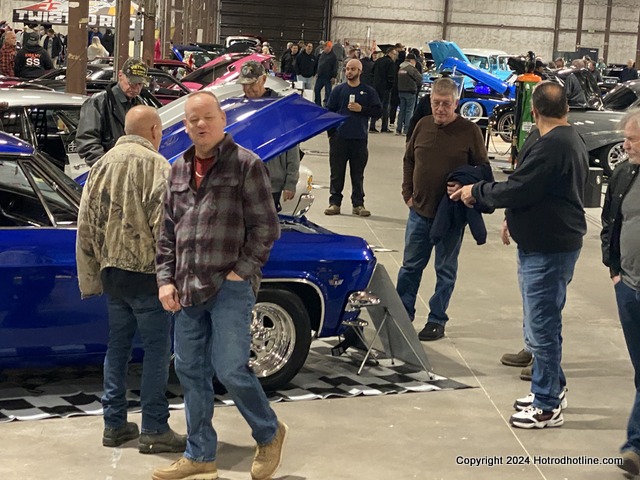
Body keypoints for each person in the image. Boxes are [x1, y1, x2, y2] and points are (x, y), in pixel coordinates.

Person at [152, 90, 287, 480]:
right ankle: (200, 455)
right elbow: (167, 233)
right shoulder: (177, 169)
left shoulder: (246, 165)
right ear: (185, 125)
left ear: (222, 120)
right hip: (187, 288)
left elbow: (266, 227)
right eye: (193, 119)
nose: (201, 124)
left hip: (230, 286)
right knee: (190, 371)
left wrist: (240, 271)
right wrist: (165, 280)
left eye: (208, 117)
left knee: (229, 369)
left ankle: (269, 431)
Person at [452, 81, 588, 429]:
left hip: (548, 248)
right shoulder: (566, 139)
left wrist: (476, 191)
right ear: (566, 108)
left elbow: (519, 188)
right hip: (550, 242)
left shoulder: (552, 146)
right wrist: (512, 220)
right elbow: (537, 192)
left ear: (534, 111)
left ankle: (546, 406)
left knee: (541, 327)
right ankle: (552, 387)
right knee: (544, 323)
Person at [76, 106, 186, 454]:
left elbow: (85, 223)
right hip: (148, 277)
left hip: (112, 275)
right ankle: (154, 428)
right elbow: (165, 226)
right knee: (156, 352)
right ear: (154, 130)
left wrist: (91, 275)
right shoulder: (157, 165)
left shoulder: (100, 166)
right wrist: (173, 276)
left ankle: (113, 425)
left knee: (118, 348)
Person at [397, 77, 490, 341]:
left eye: (446, 104)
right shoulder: (422, 125)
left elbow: (483, 170)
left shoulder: (470, 131)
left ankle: (437, 320)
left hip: (451, 216)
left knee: (445, 271)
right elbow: (409, 159)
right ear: (430, 101)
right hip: (418, 211)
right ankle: (402, 315)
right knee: (410, 267)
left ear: (456, 103)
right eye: (436, 103)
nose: (440, 108)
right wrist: (407, 193)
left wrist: (465, 186)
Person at [601, 108, 640, 475]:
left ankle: (635, 446)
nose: (625, 145)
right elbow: (609, 220)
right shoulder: (624, 172)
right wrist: (613, 270)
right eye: (626, 138)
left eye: (632, 139)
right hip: (627, 286)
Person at [239, 60, 300, 211]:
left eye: (251, 84)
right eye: (244, 84)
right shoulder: (239, 107)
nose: (247, 89)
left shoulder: (280, 107)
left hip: (272, 182)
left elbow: (292, 146)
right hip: (244, 181)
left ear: (264, 79)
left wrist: (290, 182)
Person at [324, 59, 382, 217]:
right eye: (347, 69)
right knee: (337, 173)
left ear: (360, 71)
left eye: (352, 69)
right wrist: (331, 135)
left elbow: (378, 111)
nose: (349, 72)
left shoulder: (368, 91)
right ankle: (334, 203)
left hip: (359, 139)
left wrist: (361, 109)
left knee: (357, 174)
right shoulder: (338, 90)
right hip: (339, 139)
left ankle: (358, 204)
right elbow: (329, 112)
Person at [76, 57, 149, 166]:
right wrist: (106, 166)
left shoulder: (141, 105)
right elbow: (87, 141)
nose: (136, 89)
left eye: (140, 84)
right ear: (120, 75)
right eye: (132, 83)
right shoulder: (98, 102)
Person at [370, 47, 397, 133]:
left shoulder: (378, 61)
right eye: (394, 54)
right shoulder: (390, 62)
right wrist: (390, 86)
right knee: (385, 107)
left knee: (375, 105)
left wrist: (373, 83)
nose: (395, 56)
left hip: (376, 87)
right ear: (390, 53)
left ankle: (372, 126)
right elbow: (391, 76)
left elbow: (372, 73)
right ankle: (384, 127)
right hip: (385, 88)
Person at [396, 53, 422, 136]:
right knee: (409, 111)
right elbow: (419, 78)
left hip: (401, 91)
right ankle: (406, 130)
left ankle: (398, 129)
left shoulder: (401, 68)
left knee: (401, 110)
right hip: (410, 91)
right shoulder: (411, 69)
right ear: (411, 61)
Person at [314, 41, 338, 107]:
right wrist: (317, 72)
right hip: (320, 76)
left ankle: (327, 105)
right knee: (316, 90)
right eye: (325, 47)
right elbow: (318, 64)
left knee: (328, 92)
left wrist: (334, 76)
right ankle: (318, 104)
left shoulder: (333, 56)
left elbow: (335, 67)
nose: (326, 48)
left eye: (328, 47)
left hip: (328, 77)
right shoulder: (322, 54)